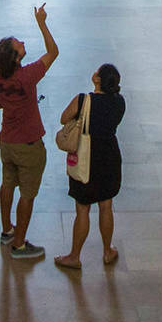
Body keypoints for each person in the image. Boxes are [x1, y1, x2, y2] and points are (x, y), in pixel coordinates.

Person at [0, 5, 59, 261]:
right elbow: (53, 52)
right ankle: (19, 245)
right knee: (27, 194)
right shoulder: (28, 76)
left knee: (7, 183)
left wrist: (9, 104)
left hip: (6, 140)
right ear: (16, 58)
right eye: (18, 44)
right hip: (29, 143)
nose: (22, 42)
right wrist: (41, 23)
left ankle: (7, 229)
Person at [54, 62, 125, 271]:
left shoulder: (84, 100)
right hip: (109, 157)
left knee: (82, 209)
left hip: (87, 157)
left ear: (97, 79)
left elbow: (63, 118)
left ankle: (75, 256)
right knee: (106, 205)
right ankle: (107, 251)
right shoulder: (120, 102)